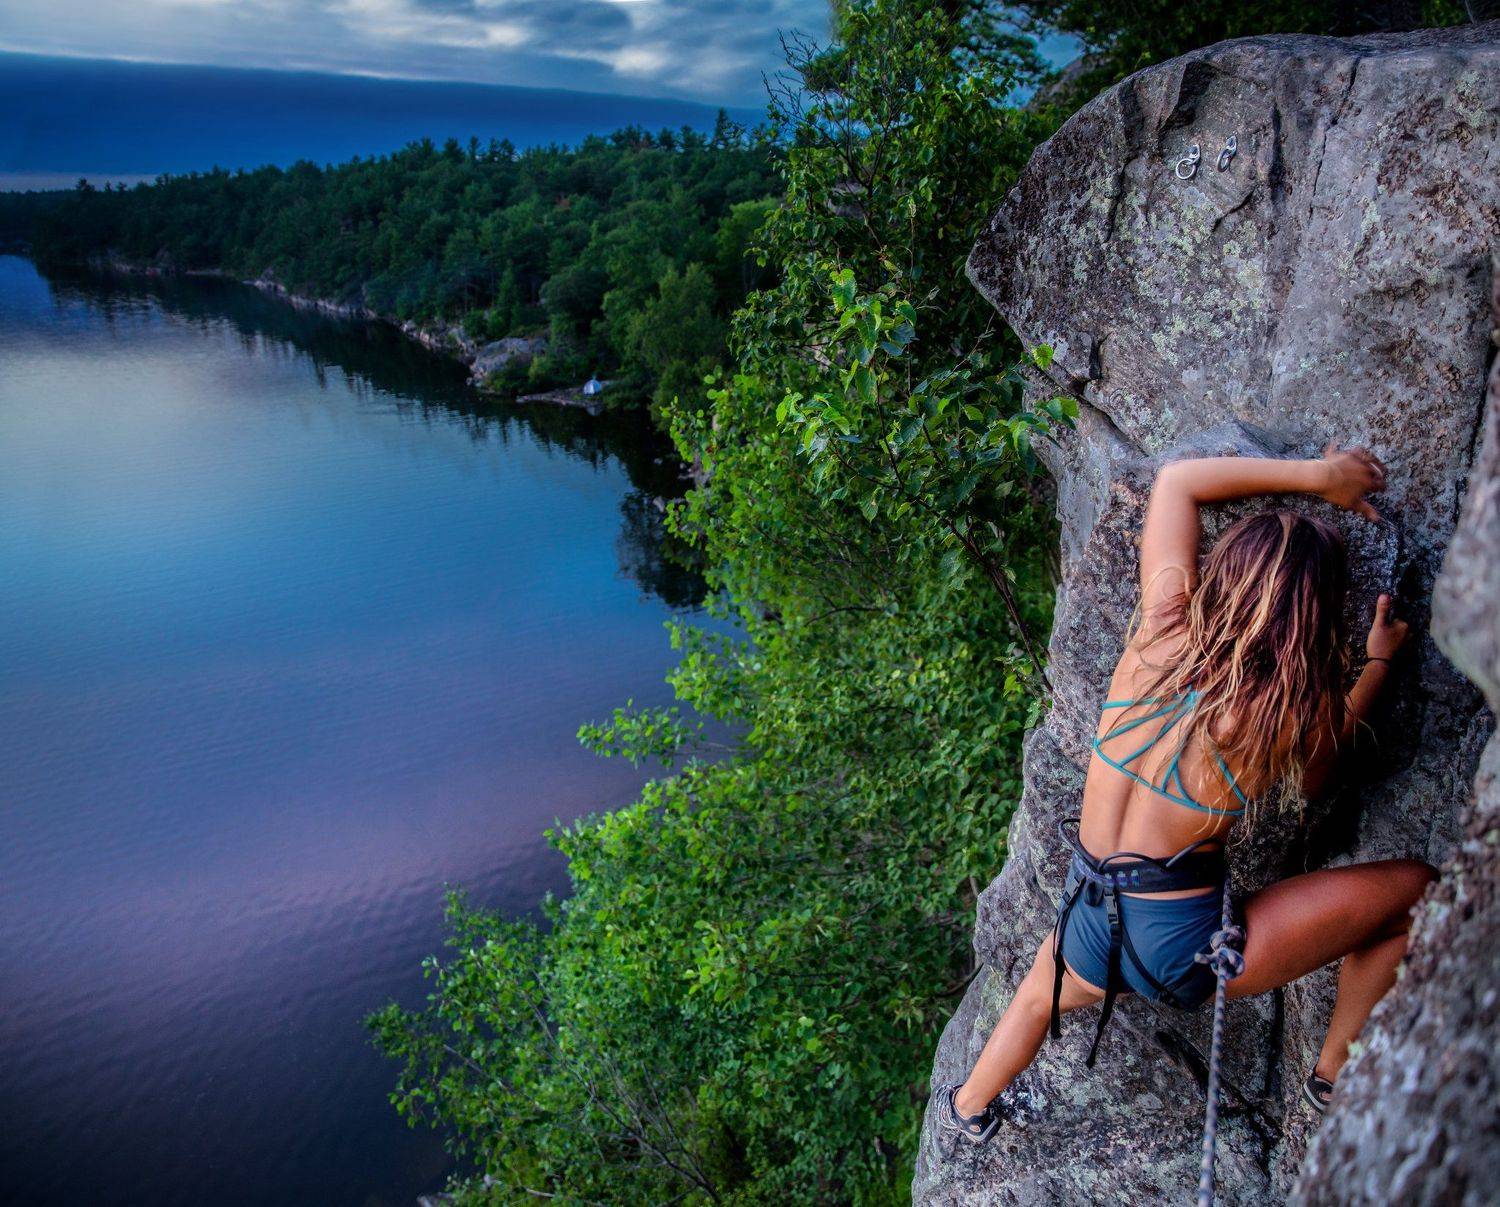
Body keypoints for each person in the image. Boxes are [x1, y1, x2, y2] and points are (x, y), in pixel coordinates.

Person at [937, 446, 1435, 1143]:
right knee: (1417, 888)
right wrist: (1376, 663)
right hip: (1181, 942)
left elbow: (1179, 482)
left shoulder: (1159, 629)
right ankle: (1332, 1073)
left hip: (1090, 910)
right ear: (1311, 624)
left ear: (1224, 573)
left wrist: (1320, 478)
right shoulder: (1279, 715)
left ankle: (970, 1104)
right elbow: (1326, 771)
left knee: (1036, 995)